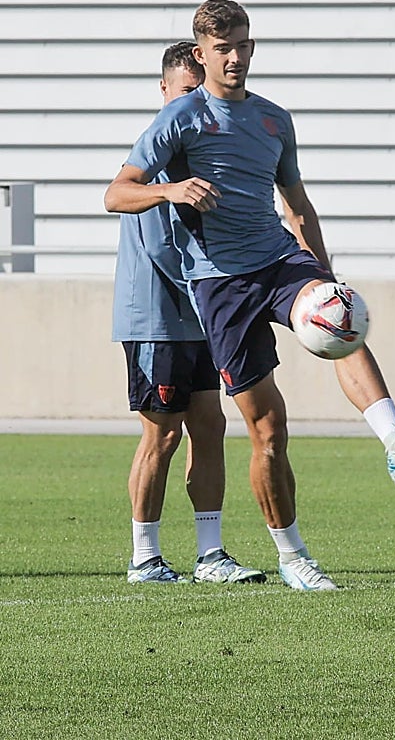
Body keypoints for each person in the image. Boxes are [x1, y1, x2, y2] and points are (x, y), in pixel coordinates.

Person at [104, 0, 395, 591]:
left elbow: (298, 203)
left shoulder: (273, 120)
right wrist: (172, 190)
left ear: (253, 47)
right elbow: (116, 193)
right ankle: (292, 555)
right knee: (268, 430)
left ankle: (394, 438)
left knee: (339, 318)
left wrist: (325, 272)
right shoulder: (180, 118)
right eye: (221, 49)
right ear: (201, 54)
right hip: (221, 283)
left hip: (278, 258)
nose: (234, 58)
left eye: (242, 45)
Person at [117, 41, 263, 585]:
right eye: (186, 91)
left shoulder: (205, 151)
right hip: (158, 317)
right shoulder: (158, 162)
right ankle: (144, 557)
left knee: (210, 425)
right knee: (163, 434)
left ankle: (210, 554)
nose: (195, 103)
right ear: (165, 91)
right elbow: (162, 250)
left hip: (201, 316)